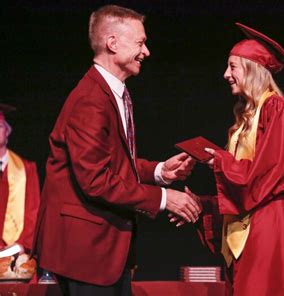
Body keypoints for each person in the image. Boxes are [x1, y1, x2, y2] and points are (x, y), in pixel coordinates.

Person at [34, 5, 201, 295]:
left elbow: (112, 164)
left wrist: (160, 171)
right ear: (112, 43)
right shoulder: (91, 100)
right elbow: (96, 180)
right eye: (140, 42)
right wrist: (164, 199)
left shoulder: (113, 92)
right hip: (86, 253)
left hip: (103, 250)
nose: (146, 52)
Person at [173, 23, 284, 295]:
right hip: (254, 229)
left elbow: (271, 172)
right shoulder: (246, 119)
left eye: (233, 66)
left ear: (252, 68)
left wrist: (221, 162)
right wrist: (204, 205)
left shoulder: (275, 108)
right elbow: (250, 184)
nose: (226, 74)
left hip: (271, 230)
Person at [0, 104, 40, 273]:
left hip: (17, 253)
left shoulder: (26, 169)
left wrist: (23, 244)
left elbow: (34, 210)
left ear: (7, 132)